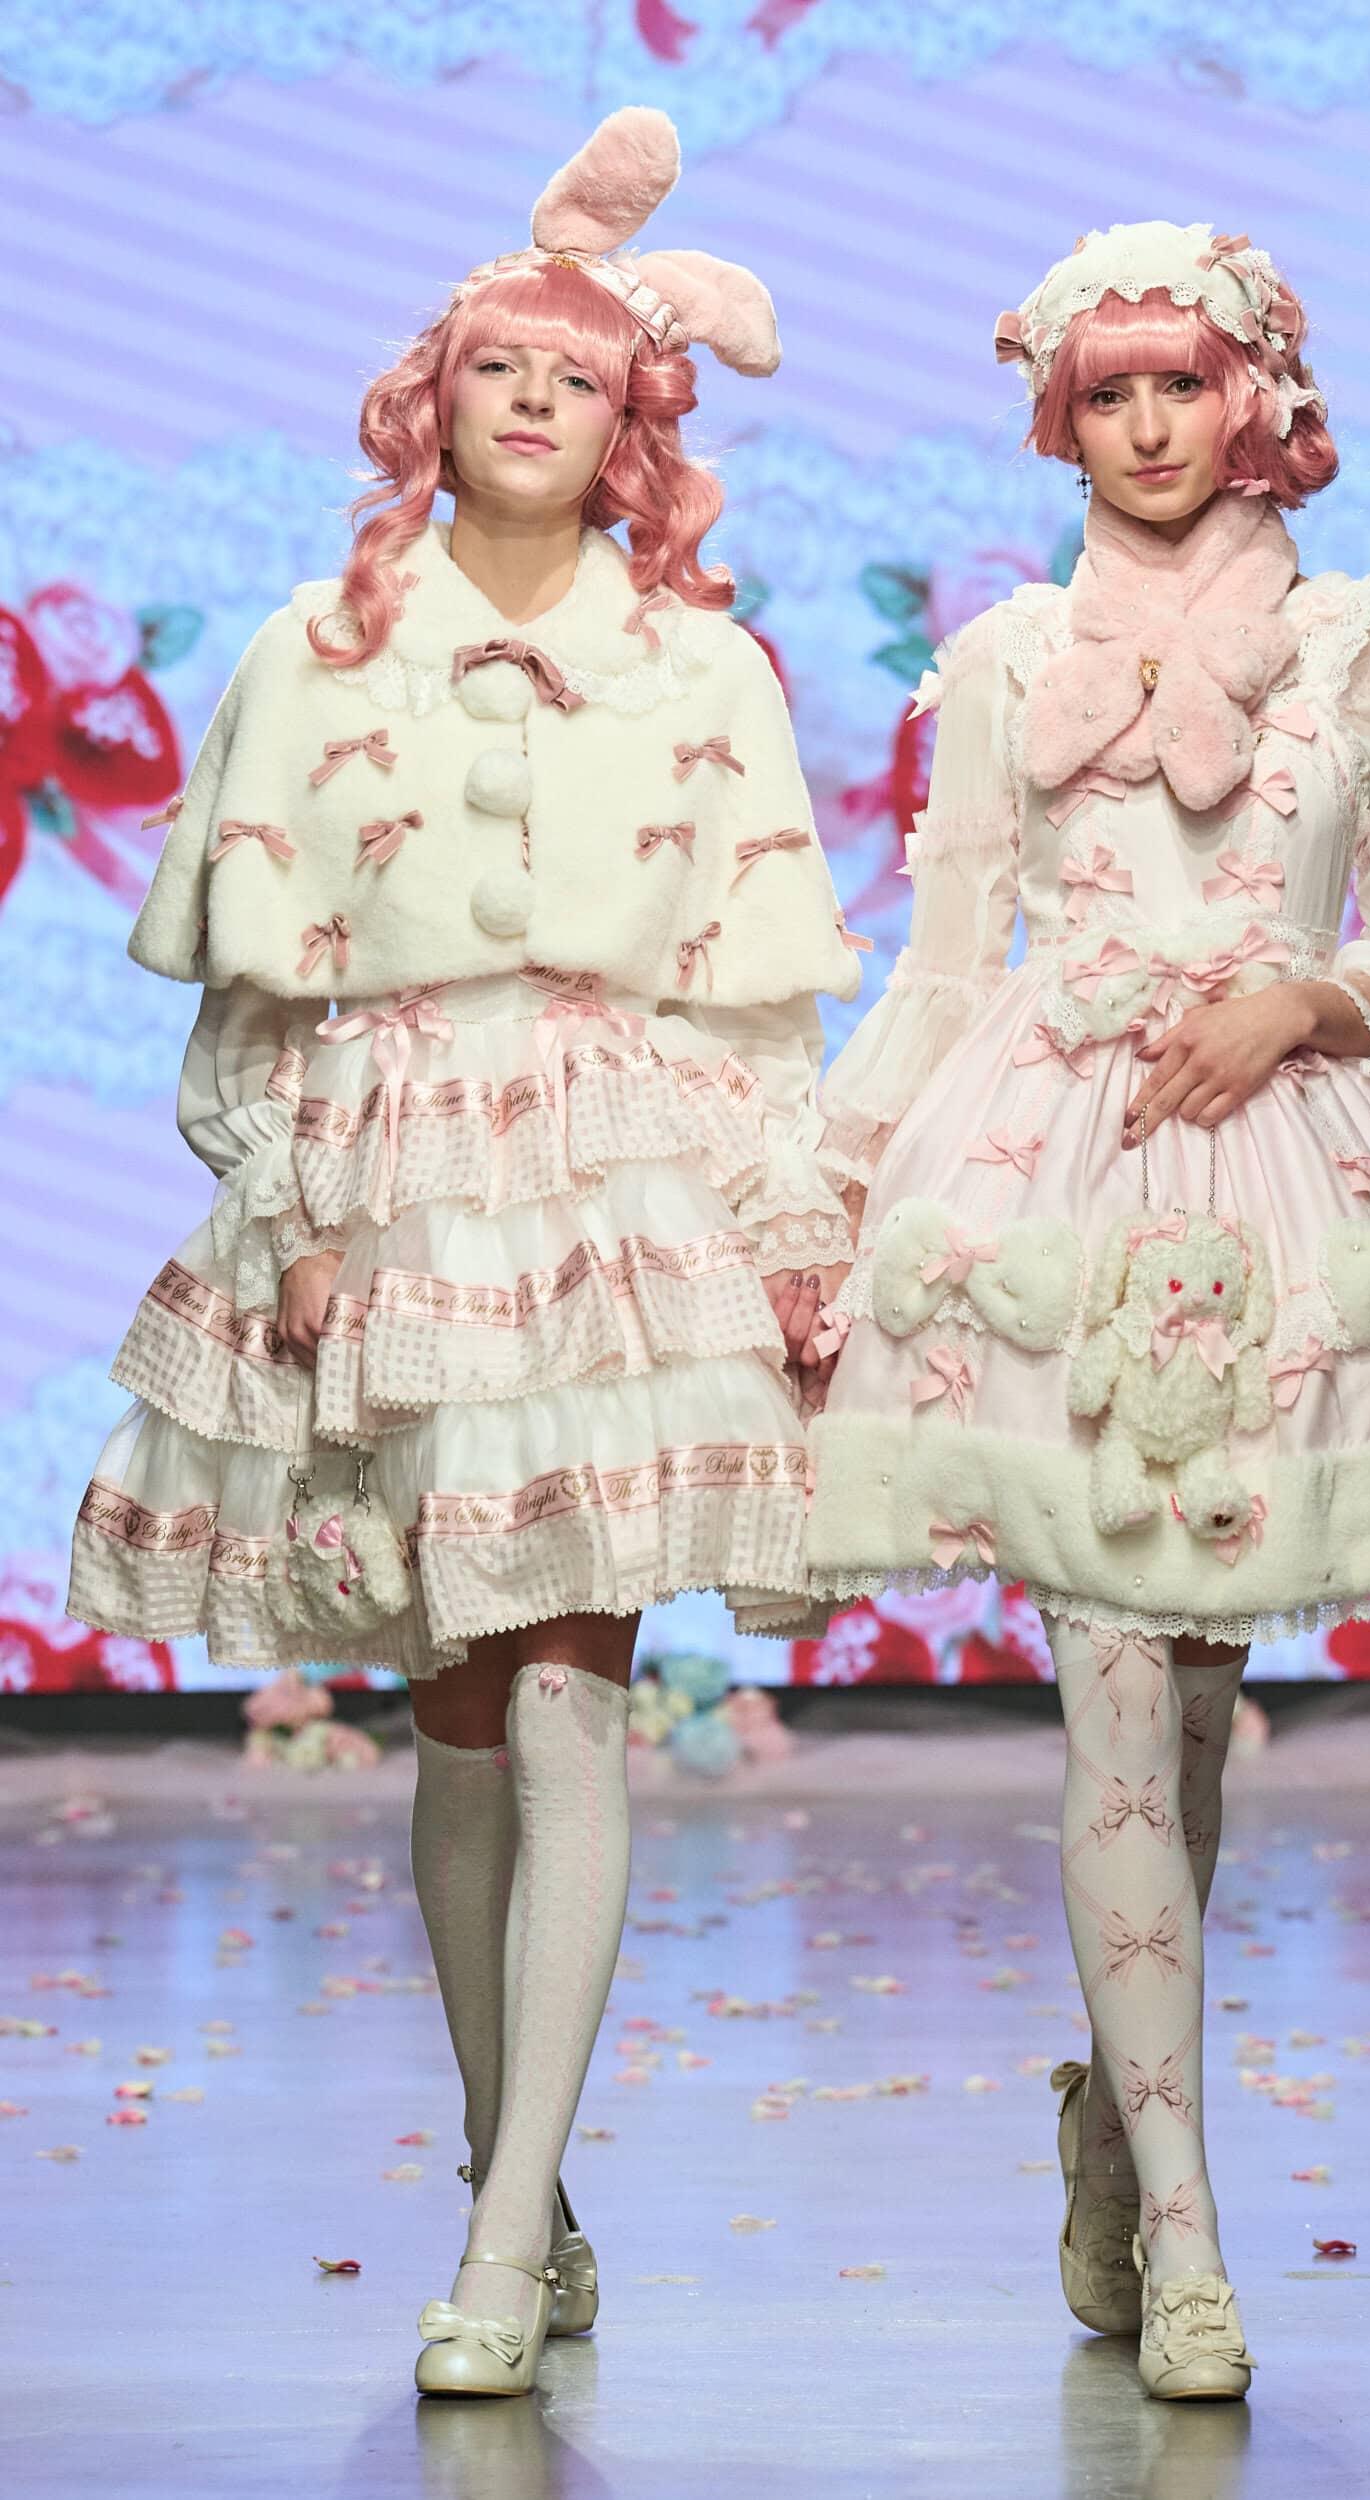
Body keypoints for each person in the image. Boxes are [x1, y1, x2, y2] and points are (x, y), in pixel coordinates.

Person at [804, 218, 1370, 2400]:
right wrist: (826, 1200)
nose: (1151, 425)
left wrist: (1301, 1001)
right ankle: (1188, 2241)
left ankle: (1116, 2126)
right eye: (1110, 393)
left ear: (1256, 396)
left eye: (1184, 382)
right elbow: (950, 972)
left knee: (1187, 1714)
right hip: (1054, 1196)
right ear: (1060, 418)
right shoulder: (1006, 658)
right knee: (1111, 1697)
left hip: (1282, 1184)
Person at [67, 108, 857, 2397]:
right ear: (437, 396)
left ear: (632, 425)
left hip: (619, 1190)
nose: (532, 400)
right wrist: (299, 1208)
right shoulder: (318, 653)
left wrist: (783, 1227)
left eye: (576, 375)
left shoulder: (703, 671)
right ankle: (527, 2175)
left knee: (576, 1681)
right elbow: (249, 1003)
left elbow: (755, 999)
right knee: (456, 1716)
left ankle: (504, 2241)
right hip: (391, 1181)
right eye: (498, 365)